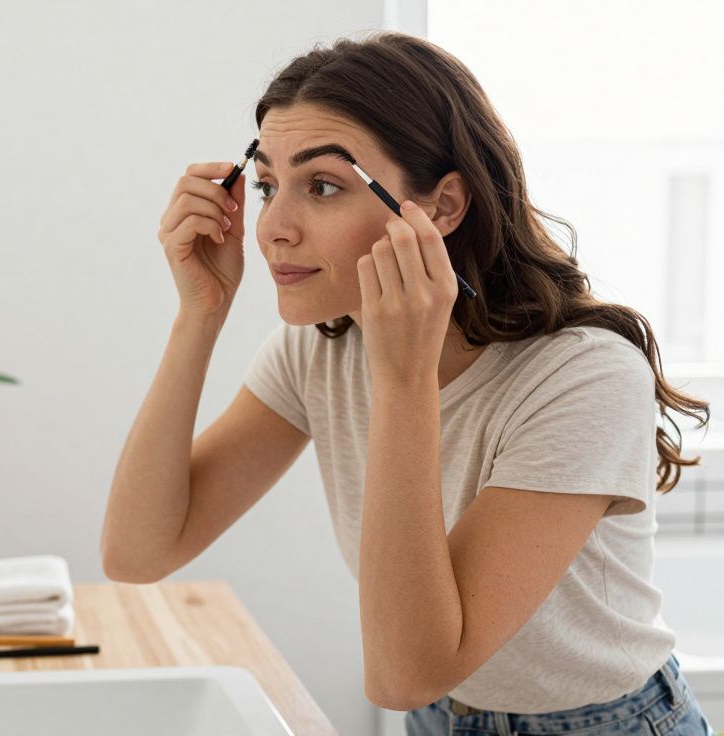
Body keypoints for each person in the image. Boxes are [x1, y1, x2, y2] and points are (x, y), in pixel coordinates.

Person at [99, 30, 716, 735]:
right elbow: (138, 553)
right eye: (268, 185)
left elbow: (402, 673)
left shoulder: (582, 376)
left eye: (323, 186)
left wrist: (403, 376)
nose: (273, 226)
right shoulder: (318, 352)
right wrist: (198, 315)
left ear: (443, 208)